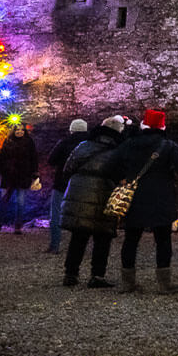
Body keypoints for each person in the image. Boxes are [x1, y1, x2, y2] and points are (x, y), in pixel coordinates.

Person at [104, 107, 178, 293]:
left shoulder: (129, 144)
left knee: (131, 239)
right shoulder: (168, 146)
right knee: (163, 241)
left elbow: (108, 166)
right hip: (162, 198)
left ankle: (128, 283)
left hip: (134, 198)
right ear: (162, 127)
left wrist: (122, 179)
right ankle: (164, 283)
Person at [61, 115, 128, 288]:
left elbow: (67, 168)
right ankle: (97, 275)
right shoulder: (119, 151)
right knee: (102, 237)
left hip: (80, 193)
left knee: (78, 236)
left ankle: (70, 274)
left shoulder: (83, 146)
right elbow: (121, 175)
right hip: (104, 195)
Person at [45, 118, 92, 254]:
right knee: (83, 214)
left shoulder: (64, 143)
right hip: (83, 184)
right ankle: (80, 246)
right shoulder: (90, 144)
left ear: (71, 129)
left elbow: (51, 160)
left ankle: (55, 245)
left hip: (62, 182)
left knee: (56, 214)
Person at [0, 121, 40, 233]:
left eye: (22, 130)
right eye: (17, 129)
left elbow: (34, 158)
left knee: (20, 202)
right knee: (3, 200)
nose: (19, 132)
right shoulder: (8, 141)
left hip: (23, 175)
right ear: (14, 131)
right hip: (8, 176)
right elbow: (2, 159)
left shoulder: (29, 142)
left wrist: (35, 173)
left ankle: (18, 225)